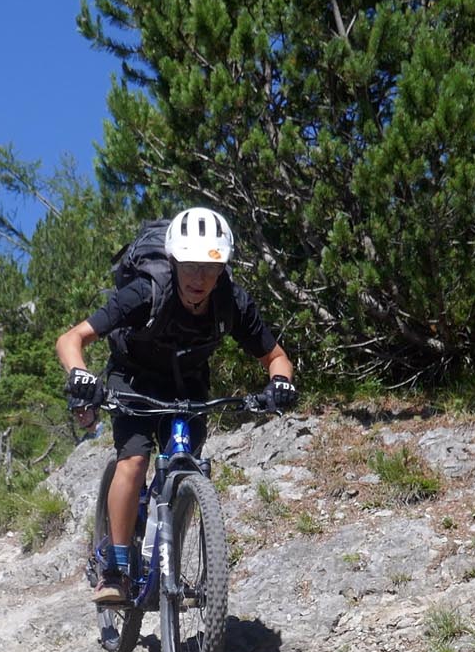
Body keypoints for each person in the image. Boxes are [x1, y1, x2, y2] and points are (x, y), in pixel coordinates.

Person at [55, 206, 296, 605]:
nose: (199, 277)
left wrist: (281, 383)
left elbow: (276, 357)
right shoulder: (146, 292)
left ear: (223, 268)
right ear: (173, 261)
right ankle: (114, 569)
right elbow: (72, 339)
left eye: (210, 266)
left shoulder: (231, 302)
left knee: (183, 469)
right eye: (189, 266)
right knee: (133, 461)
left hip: (188, 387)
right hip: (133, 379)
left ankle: (162, 559)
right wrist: (81, 375)